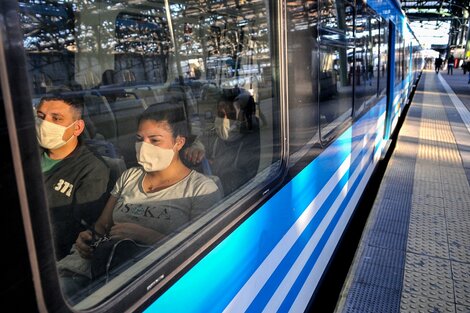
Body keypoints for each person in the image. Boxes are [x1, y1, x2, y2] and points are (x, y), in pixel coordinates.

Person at [57, 105, 222, 298]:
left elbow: (199, 256)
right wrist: (87, 239)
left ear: (178, 142)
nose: (144, 146)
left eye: (154, 140)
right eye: (139, 139)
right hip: (103, 268)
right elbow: (102, 226)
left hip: (155, 280)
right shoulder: (129, 177)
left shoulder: (200, 189)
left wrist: (145, 235)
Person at [35, 95, 110, 260]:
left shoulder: (92, 170)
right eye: (41, 117)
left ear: (77, 128)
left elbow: (78, 230)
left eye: (56, 118)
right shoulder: (25, 152)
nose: (45, 124)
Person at [185, 88, 261, 196]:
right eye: (220, 114)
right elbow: (202, 141)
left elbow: (250, 186)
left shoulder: (256, 141)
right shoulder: (215, 134)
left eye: (231, 114)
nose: (224, 120)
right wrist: (196, 149)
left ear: (246, 116)